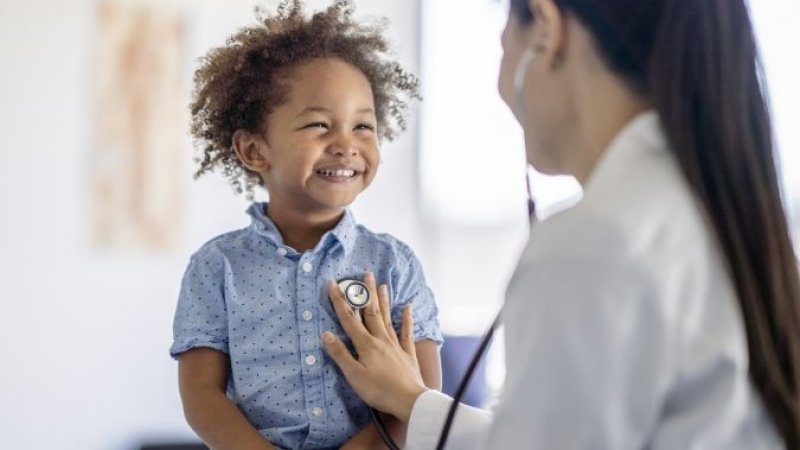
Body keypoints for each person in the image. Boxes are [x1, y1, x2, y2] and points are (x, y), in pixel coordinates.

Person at [321, 0, 800, 448]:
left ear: (547, 30)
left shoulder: (593, 244)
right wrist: (414, 402)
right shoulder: (707, 205)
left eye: (502, 43)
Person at [169, 2, 443, 449]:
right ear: (255, 151)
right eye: (319, 124)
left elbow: (422, 397)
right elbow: (201, 395)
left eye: (362, 126)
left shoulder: (393, 264)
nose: (346, 145)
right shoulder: (217, 267)